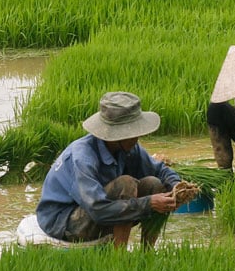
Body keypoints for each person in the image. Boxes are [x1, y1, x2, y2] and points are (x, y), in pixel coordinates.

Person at [36, 91, 181, 250]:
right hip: (66, 222)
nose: (137, 138)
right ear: (118, 135)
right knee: (126, 183)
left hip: (98, 210)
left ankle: (147, 254)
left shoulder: (128, 147)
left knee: (154, 183)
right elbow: (98, 210)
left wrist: (177, 186)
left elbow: (159, 170)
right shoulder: (82, 157)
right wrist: (149, 203)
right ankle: (119, 258)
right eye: (133, 134)